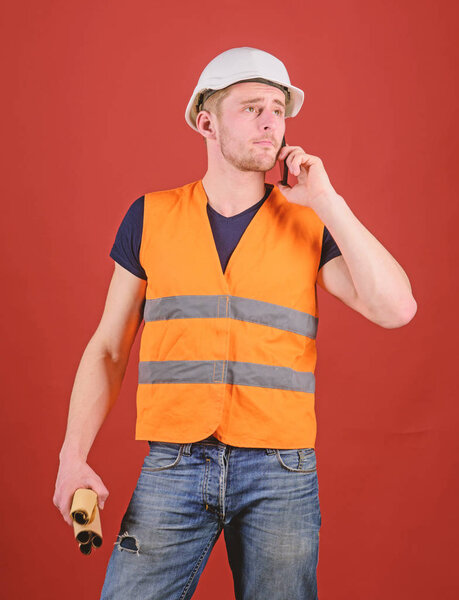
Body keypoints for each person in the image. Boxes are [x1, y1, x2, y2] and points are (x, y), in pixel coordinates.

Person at [53, 47, 417, 599]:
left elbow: (397, 309)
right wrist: (71, 459)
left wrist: (327, 199)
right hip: (174, 463)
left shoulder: (307, 222)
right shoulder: (150, 216)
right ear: (207, 122)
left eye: (278, 108)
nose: (271, 121)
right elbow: (107, 349)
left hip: (281, 472)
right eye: (251, 108)